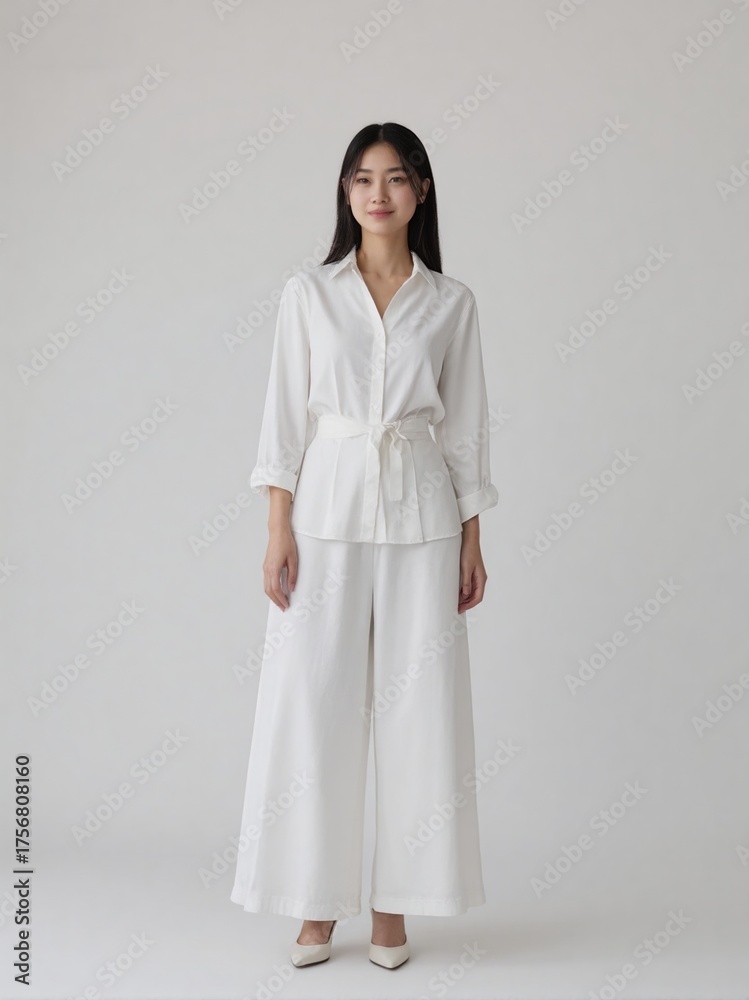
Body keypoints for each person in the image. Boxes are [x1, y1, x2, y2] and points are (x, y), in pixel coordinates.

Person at [230, 122, 498, 970]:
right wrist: (276, 528)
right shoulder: (308, 293)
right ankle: (314, 904)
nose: (377, 194)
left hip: (424, 518)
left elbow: (465, 430)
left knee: (420, 713)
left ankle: (393, 907)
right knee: (313, 704)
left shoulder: (450, 303)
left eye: (394, 178)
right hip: (324, 516)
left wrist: (472, 537)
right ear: (345, 193)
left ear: (421, 190)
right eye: (361, 178)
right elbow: (283, 416)